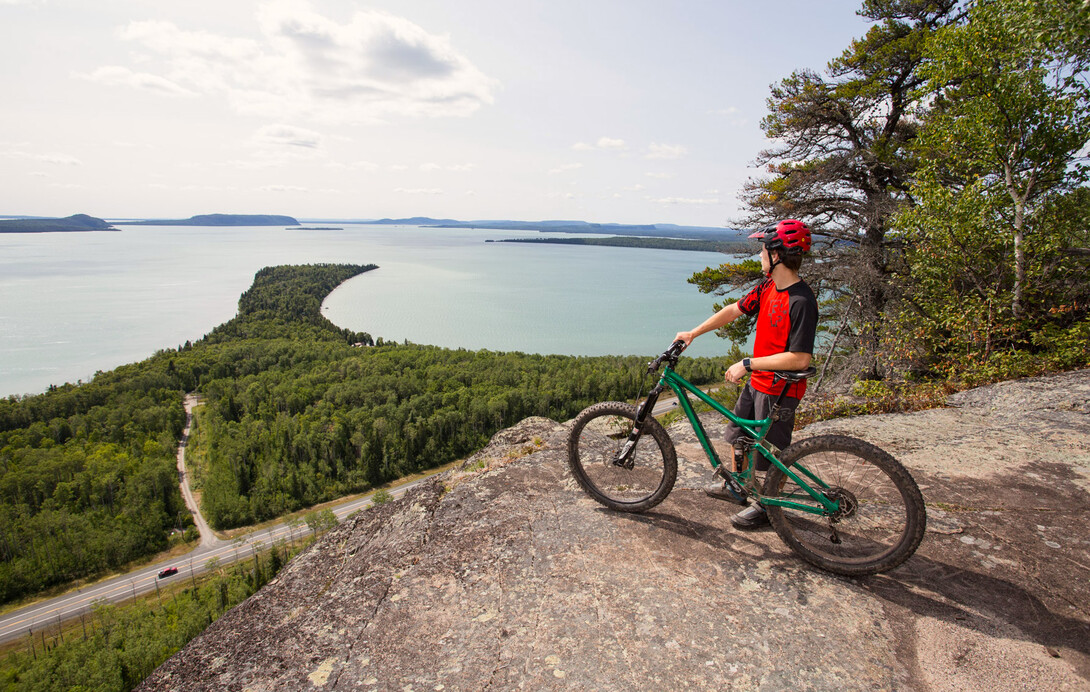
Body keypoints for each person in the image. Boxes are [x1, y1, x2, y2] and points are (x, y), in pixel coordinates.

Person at [673, 219, 818, 529]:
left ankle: (767, 507)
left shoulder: (801, 300)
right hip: (758, 382)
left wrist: (750, 363)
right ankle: (738, 486)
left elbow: (800, 358)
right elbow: (735, 309)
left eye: (763, 250)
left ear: (777, 254)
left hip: (780, 390)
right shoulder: (768, 287)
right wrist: (694, 333)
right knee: (739, 436)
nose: (760, 255)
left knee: (770, 455)